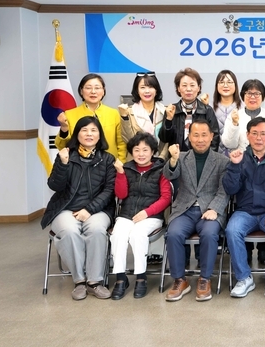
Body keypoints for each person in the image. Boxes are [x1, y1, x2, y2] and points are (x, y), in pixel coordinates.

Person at [41, 116, 116, 300]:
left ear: (99, 135)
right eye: (84, 130)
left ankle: (95, 282)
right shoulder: (66, 155)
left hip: (98, 209)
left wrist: (89, 210)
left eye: (93, 130)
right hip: (65, 208)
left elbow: (109, 191)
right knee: (69, 231)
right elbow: (54, 186)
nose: (89, 134)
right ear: (77, 134)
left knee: (97, 230)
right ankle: (80, 281)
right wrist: (63, 164)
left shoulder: (107, 159)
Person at [162, 119, 230, 302]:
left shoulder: (222, 161)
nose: (200, 139)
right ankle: (180, 280)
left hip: (209, 210)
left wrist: (214, 209)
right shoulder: (181, 157)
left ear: (212, 136)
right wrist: (173, 160)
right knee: (173, 234)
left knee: (209, 234)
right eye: (196, 135)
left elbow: (224, 191)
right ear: (189, 137)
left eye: (204, 135)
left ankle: (204, 279)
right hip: (184, 210)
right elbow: (169, 175)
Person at [224, 117, 265, 298]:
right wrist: (234, 166)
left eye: (263, 134)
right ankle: (244, 278)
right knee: (232, 230)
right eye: (254, 133)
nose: (259, 138)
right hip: (245, 211)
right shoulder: (240, 157)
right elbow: (230, 189)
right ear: (247, 135)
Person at [110, 132, 172, 300]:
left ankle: (141, 277)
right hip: (127, 214)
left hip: (152, 216)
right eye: (136, 150)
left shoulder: (161, 169)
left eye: (145, 150)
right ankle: (120, 278)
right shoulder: (127, 168)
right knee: (118, 235)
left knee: (137, 235)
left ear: (153, 152)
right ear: (132, 152)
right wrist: (120, 173)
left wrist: (147, 212)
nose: (141, 154)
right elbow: (121, 195)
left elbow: (166, 198)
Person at [56, 73, 126, 162]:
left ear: (103, 91)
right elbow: (62, 146)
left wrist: (120, 163)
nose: (93, 91)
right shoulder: (69, 114)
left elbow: (121, 144)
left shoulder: (113, 113)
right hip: (79, 165)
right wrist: (64, 128)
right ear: (81, 91)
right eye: (88, 88)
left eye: (97, 88)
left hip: (109, 165)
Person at [159, 68, 220, 153]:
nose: (188, 89)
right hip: (177, 157)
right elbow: (164, 139)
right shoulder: (172, 110)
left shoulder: (207, 110)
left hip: (202, 157)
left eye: (192, 85)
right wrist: (168, 120)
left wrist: (208, 158)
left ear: (198, 88)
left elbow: (215, 137)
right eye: (184, 85)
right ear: (178, 88)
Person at [222, 79, 265, 153]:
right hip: (241, 159)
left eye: (257, 94)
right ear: (243, 96)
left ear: (262, 96)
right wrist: (234, 125)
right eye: (249, 93)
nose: (252, 97)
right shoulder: (234, 116)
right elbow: (229, 144)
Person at [118, 72, 168, 160]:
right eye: (142, 87)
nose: (147, 91)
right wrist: (125, 117)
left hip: (160, 162)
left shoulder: (165, 111)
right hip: (137, 161)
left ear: (156, 90)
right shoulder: (129, 112)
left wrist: (161, 159)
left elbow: (168, 140)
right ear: (137, 90)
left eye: (151, 87)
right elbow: (129, 140)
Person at [212, 69, 242, 157]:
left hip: (239, 157)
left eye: (229, 82)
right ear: (216, 86)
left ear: (235, 85)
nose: (225, 85)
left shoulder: (244, 108)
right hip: (215, 158)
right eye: (221, 82)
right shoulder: (209, 108)